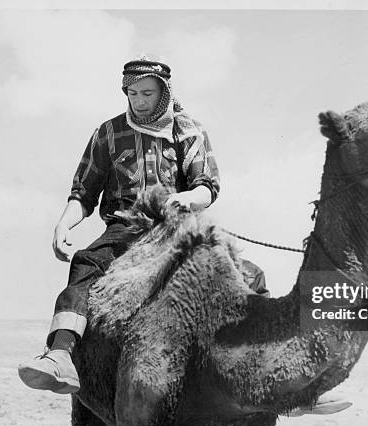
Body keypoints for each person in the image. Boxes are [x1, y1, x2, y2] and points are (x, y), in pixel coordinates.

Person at [18, 54, 220, 394]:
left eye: (147, 94)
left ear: (164, 93)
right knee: (86, 263)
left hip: (176, 225)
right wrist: (63, 224)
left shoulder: (190, 131)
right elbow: (83, 193)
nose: (139, 101)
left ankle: (282, 376)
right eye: (132, 93)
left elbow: (207, 186)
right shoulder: (107, 133)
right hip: (124, 226)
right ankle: (60, 356)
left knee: (245, 274)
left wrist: (187, 198)